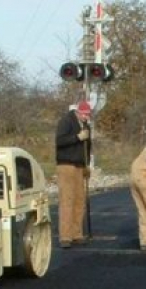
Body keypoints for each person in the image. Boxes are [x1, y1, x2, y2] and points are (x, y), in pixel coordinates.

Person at [54, 100, 92, 248]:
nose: (86, 117)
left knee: (79, 200)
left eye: (88, 115)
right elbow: (60, 141)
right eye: (84, 114)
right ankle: (65, 236)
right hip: (66, 165)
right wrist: (77, 137)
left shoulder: (86, 126)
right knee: (67, 200)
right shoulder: (66, 121)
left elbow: (88, 147)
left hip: (79, 166)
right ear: (78, 112)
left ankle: (77, 233)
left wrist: (87, 164)